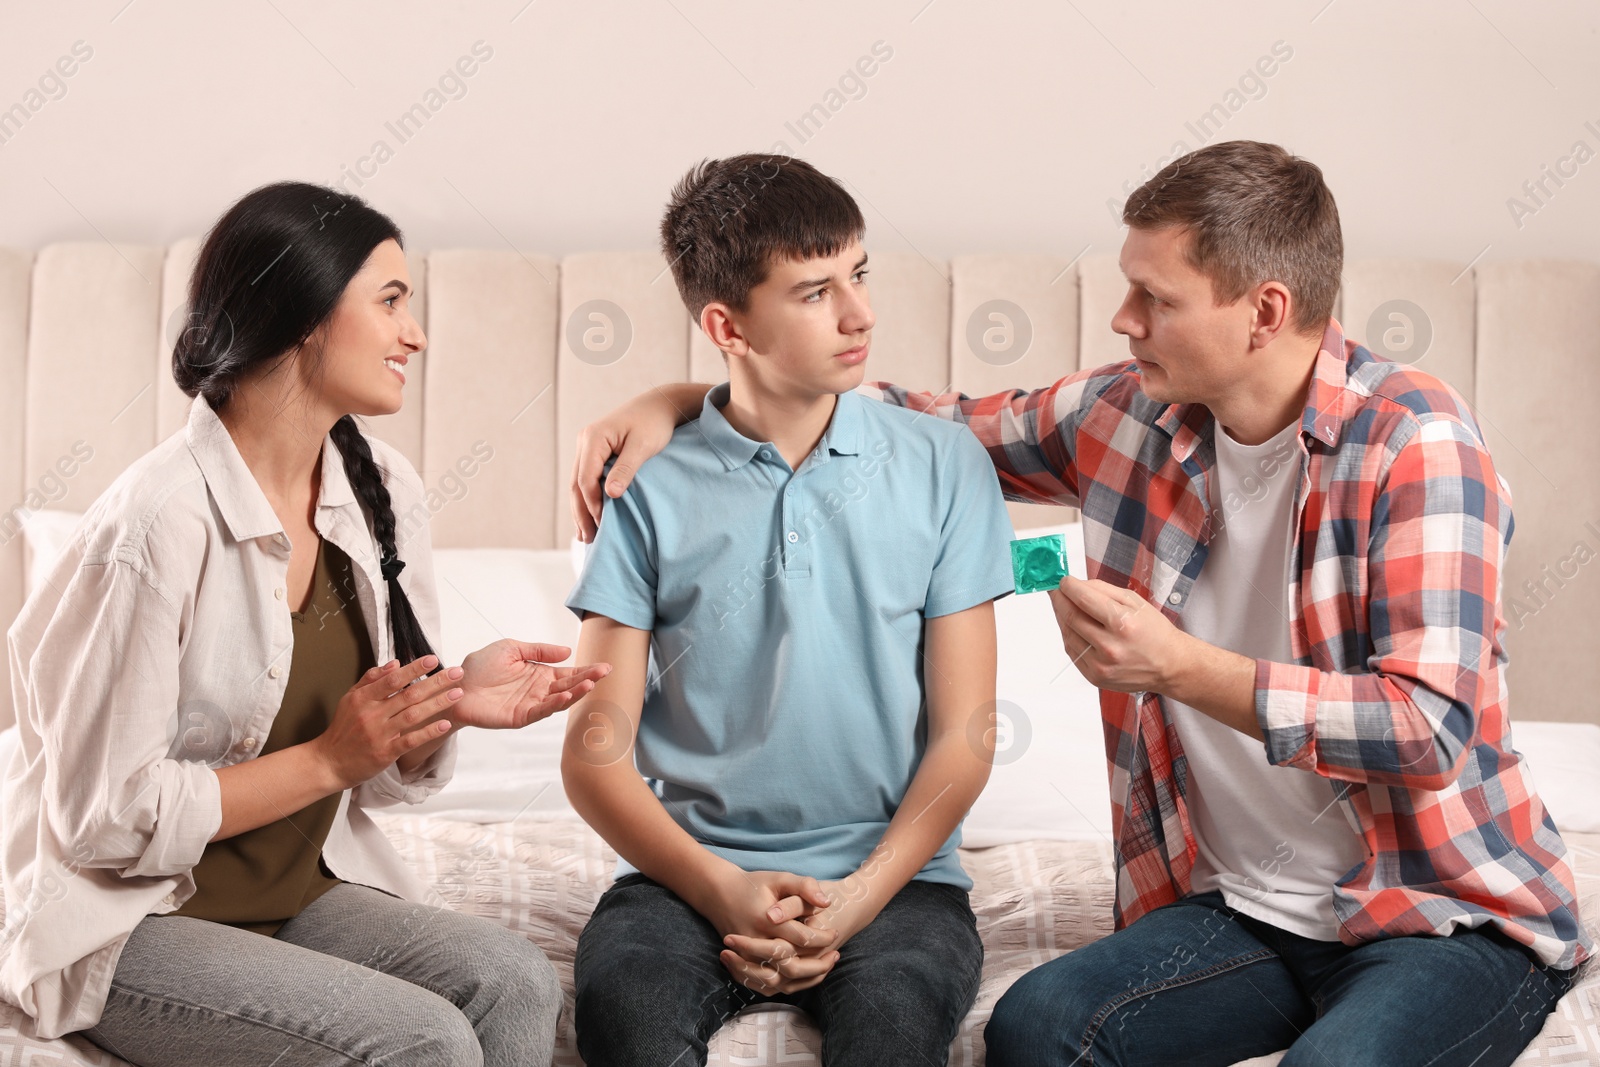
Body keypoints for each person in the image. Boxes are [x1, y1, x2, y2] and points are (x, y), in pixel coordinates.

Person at [569, 141, 1591, 1066]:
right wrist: (673, 402)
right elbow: (888, 419)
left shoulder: (1415, 441)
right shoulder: (1123, 413)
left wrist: (1179, 667)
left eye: (1154, 299)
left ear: (1263, 311)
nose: (1122, 320)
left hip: (1437, 910)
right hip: (1242, 913)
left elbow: (1429, 725)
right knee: (1038, 1028)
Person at [1, 181, 609, 1067]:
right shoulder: (155, 523)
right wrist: (329, 758)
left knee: (516, 978)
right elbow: (106, 818)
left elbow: (386, 781)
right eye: (392, 301)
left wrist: (448, 699)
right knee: (422, 1037)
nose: (418, 334)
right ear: (303, 315)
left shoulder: (382, 490)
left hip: (293, 891)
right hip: (125, 917)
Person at [560, 154, 1016, 1066]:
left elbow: (965, 737)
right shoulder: (648, 486)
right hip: (684, 877)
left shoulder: (946, 467)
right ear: (727, 324)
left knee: (893, 1031)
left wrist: (855, 898)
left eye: (859, 274)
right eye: (814, 293)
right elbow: (591, 749)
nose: (860, 314)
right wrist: (723, 888)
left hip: (900, 880)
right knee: (628, 1021)